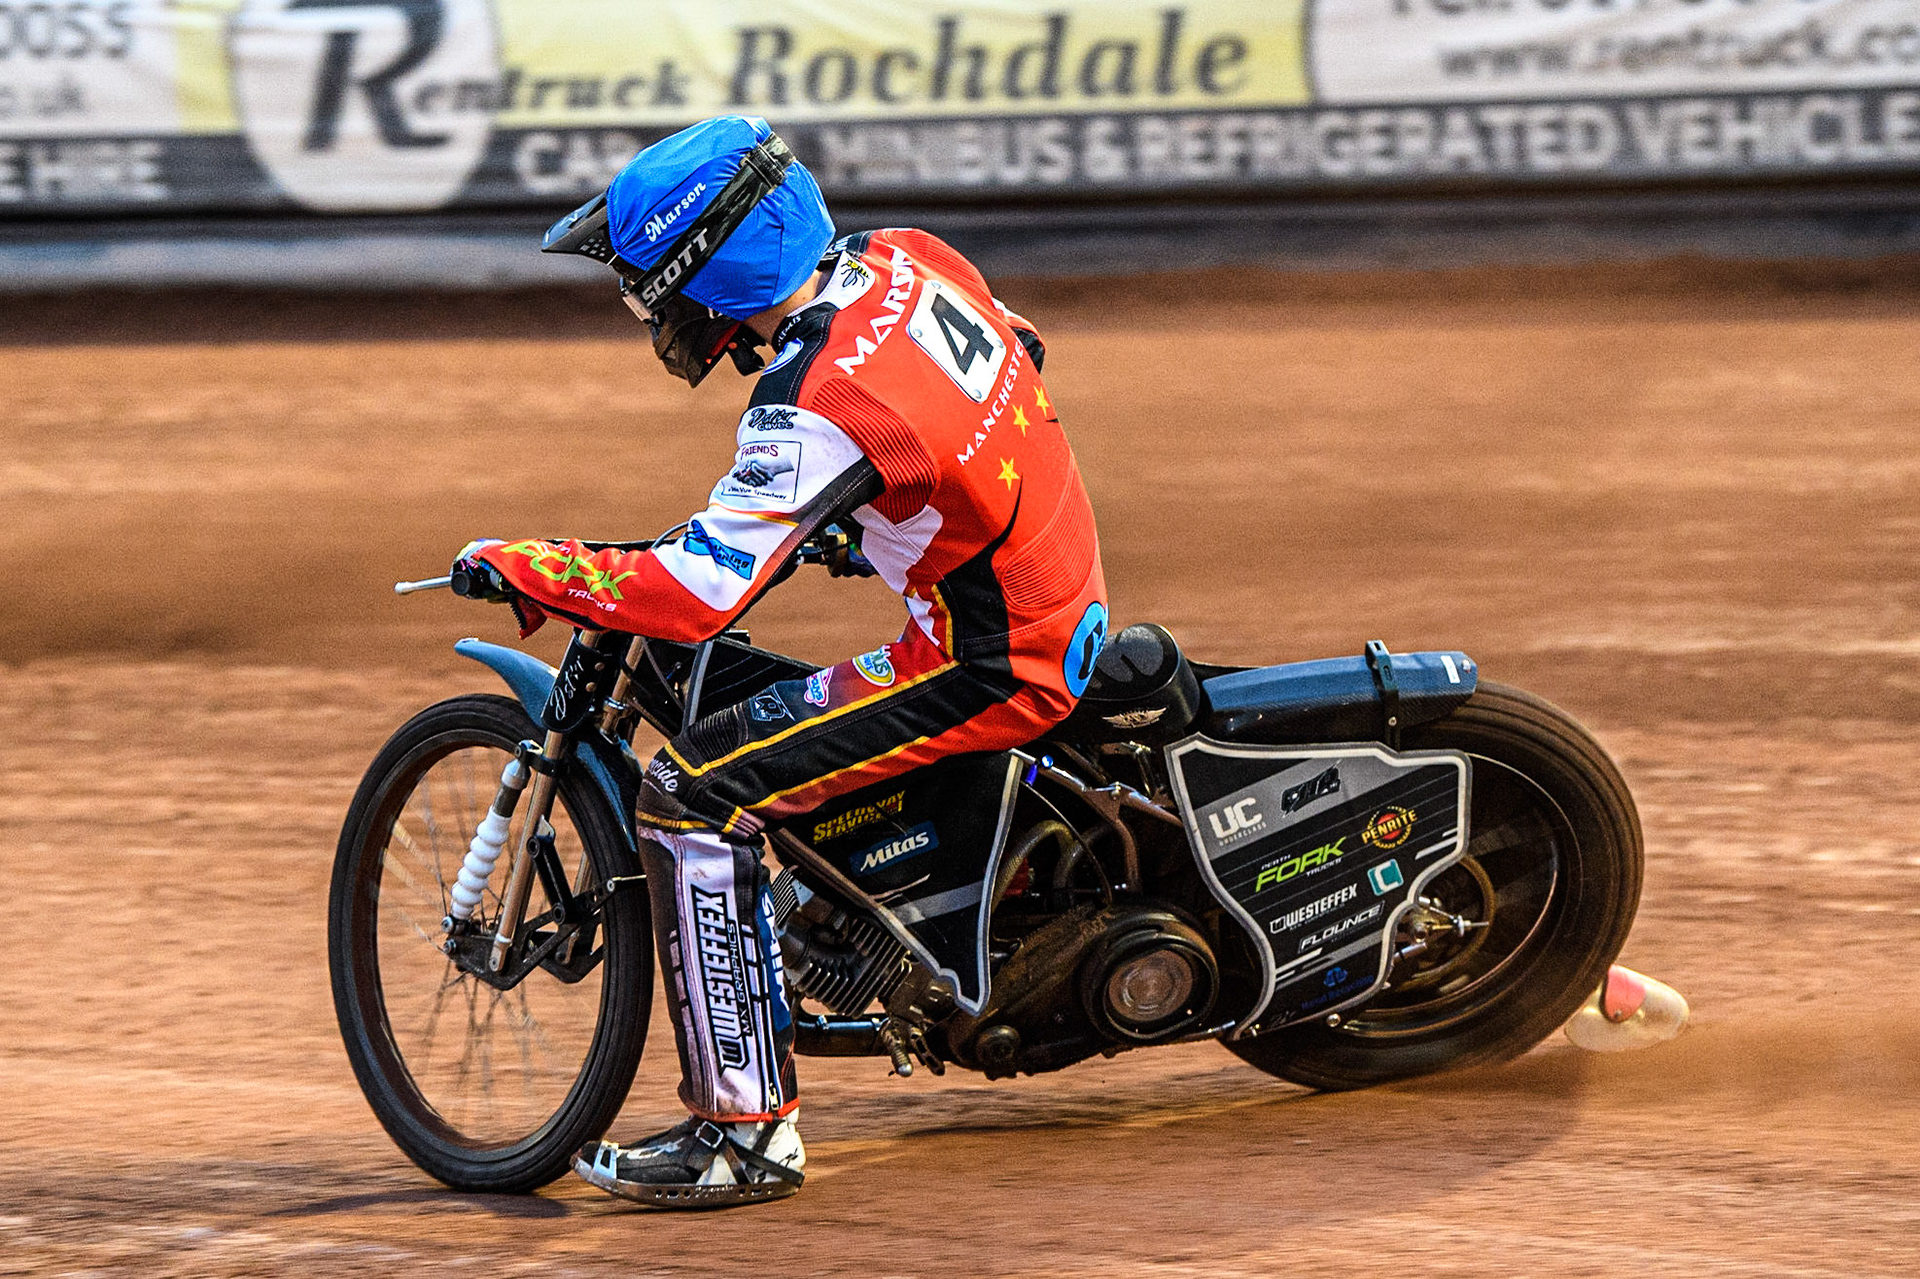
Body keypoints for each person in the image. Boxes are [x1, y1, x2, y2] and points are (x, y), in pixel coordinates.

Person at [450, 115, 1107, 1209]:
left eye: (649, 286)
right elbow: (1019, 348)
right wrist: (885, 508)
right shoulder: (909, 257)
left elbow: (697, 596)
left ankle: (746, 1134)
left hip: (996, 658)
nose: (649, 312)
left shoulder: (810, 402)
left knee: (690, 792)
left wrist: (533, 565)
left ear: (708, 272)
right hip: (1044, 589)